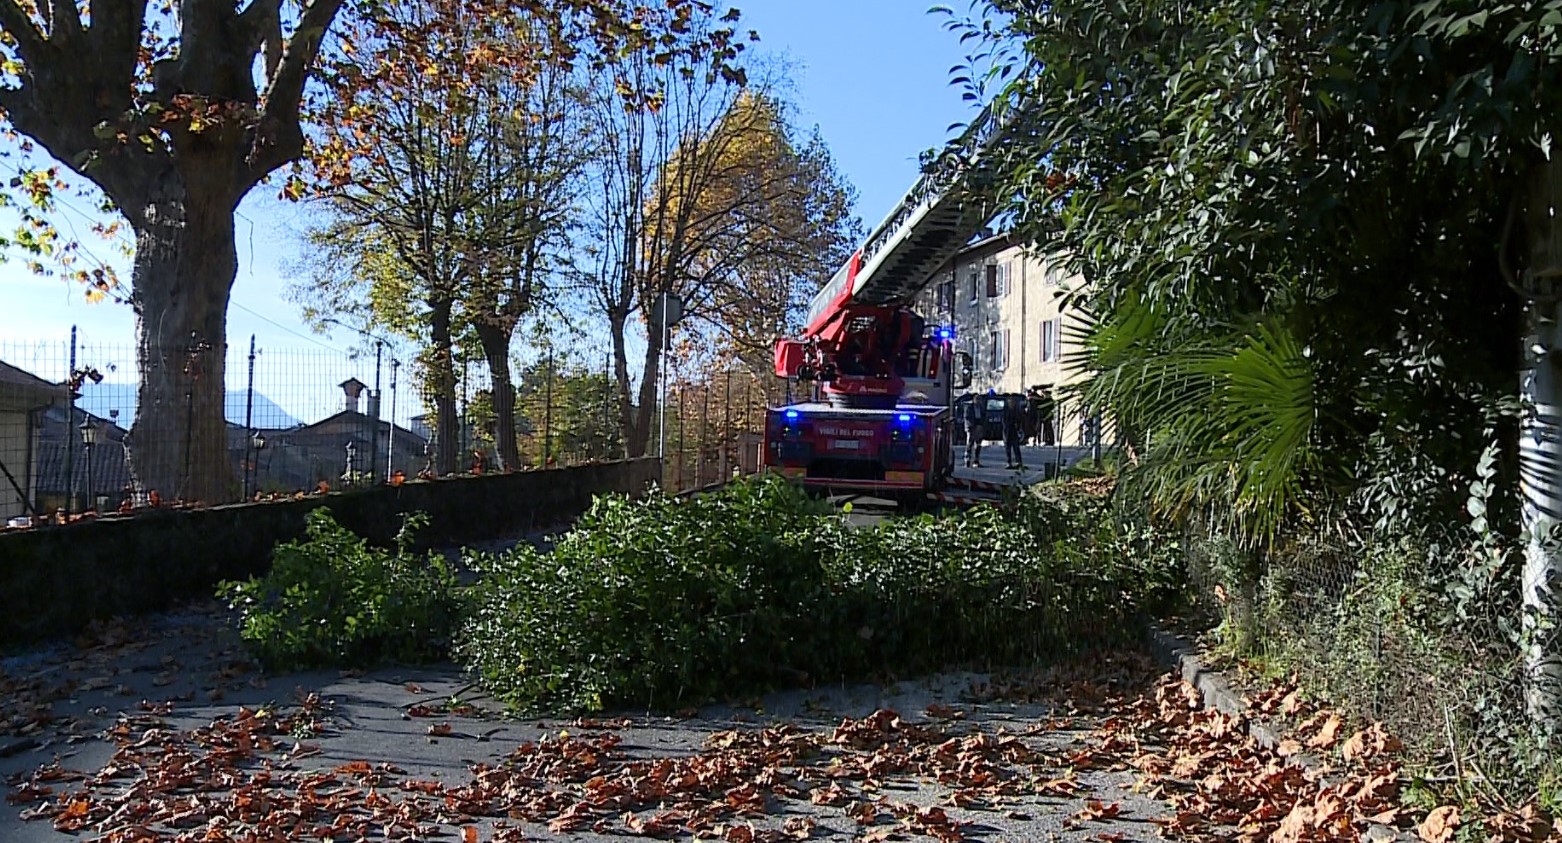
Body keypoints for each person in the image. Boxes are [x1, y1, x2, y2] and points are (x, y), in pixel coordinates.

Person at [1002, 394, 1026, 470]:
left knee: (1016, 447)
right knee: (1008, 448)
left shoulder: (1016, 411)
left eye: (1013, 402)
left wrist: (1018, 427)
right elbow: (1004, 421)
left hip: (1014, 431)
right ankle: (1008, 462)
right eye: (1010, 402)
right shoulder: (1005, 411)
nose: (1012, 403)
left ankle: (1019, 462)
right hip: (1007, 431)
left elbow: (1019, 420)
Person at [962, 394, 984, 468]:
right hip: (971, 427)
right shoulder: (969, 408)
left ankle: (976, 460)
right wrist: (972, 426)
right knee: (969, 444)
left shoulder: (981, 408)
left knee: (978, 444)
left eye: (979, 400)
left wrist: (981, 426)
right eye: (977, 400)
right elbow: (967, 417)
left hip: (979, 427)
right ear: (974, 400)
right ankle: (967, 460)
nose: (978, 401)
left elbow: (983, 417)